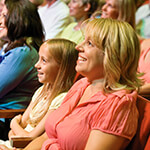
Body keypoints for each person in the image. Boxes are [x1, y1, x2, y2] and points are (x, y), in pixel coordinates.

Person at [0, 18, 142, 150]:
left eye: (89, 44)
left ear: (112, 54)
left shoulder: (117, 106)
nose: (78, 47)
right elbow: (46, 137)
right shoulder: (82, 85)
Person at [0, 38, 78, 148]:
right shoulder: (41, 90)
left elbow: (31, 137)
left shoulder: (61, 98)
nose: (37, 65)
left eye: (44, 61)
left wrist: (13, 123)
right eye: (38, 59)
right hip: (13, 144)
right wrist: (15, 130)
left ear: (62, 68)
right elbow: (22, 123)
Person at [0, 0, 44, 110]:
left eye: (4, 16)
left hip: (6, 120)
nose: (0, 21)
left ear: (18, 20)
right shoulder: (13, 48)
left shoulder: (23, 53)